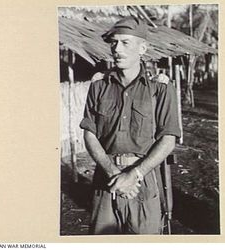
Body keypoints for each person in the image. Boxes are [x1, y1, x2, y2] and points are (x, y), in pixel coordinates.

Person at [80, 16, 180, 234]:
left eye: (125, 43)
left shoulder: (160, 88)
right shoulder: (99, 86)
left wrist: (133, 175)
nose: (117, 49)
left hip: (143, 182)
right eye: (114, 43)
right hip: (106, 180)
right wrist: (113, 172)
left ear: (142, 48)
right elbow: (89, 134)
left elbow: (168, 139)